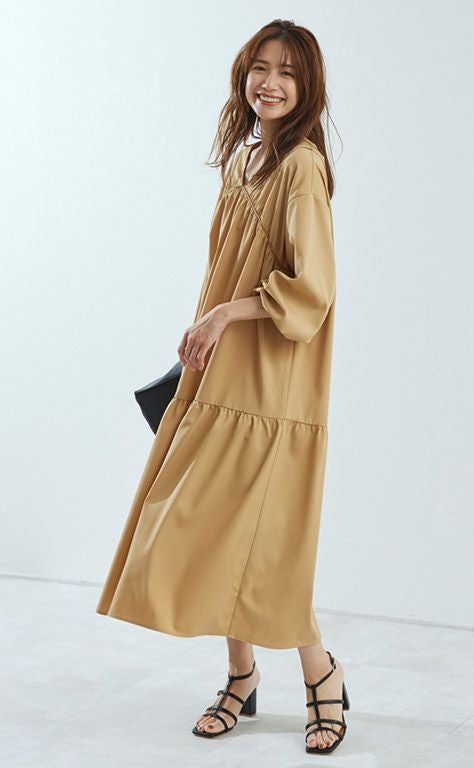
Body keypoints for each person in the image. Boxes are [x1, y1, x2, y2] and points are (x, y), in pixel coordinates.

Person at [95, 19, 348, 754]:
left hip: (273, 386)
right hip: (220, 374)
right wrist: (208, 326)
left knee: (266, 541)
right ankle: (242, 674)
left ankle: (320, 673)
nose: (271, 82)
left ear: (308, 88)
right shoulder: (245, 161)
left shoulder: (302, 167)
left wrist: (225, 314)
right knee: (212, 528)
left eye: (288, 72)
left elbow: (314, 287)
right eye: (261, 67)